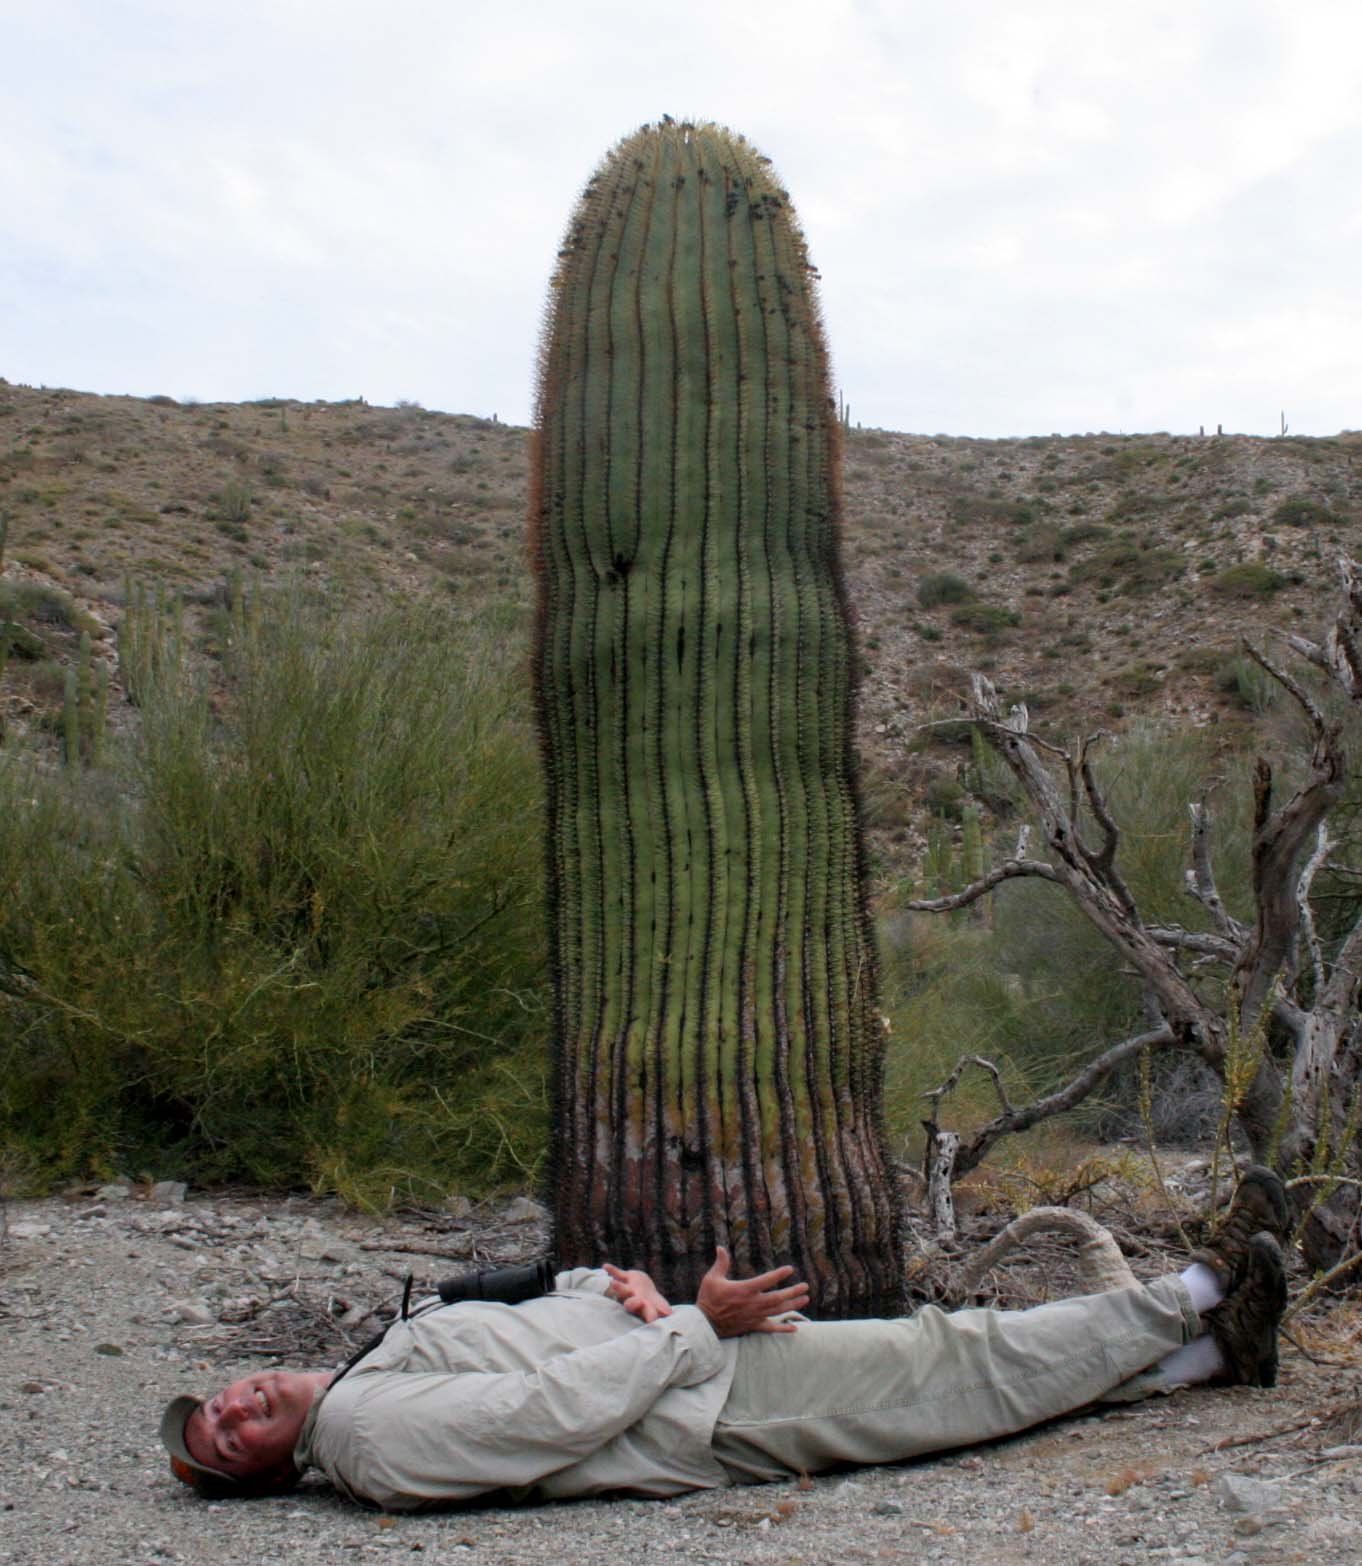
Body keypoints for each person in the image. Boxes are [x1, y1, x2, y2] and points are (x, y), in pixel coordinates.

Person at [161, 1167, 1290, 1511]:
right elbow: (542, 1418)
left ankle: (1210, 1356)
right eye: (226, 1440)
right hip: (707, 1409)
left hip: (689, 1367)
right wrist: (697, 1325)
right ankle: (1195, 1289)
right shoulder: (364, 1439)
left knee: (950, 1373)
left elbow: (514, 1326)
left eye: (215, 1403)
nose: (234, 1408)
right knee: (958, 1365)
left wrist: (614, 1287)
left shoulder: (362, 1371)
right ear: (260, 1472)